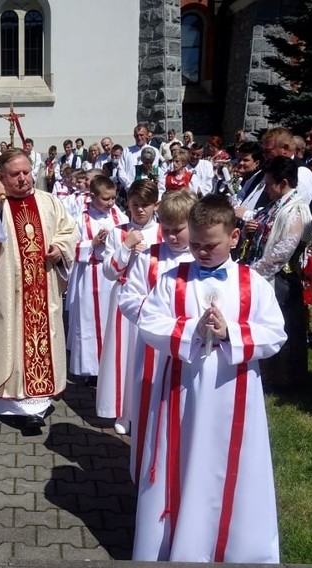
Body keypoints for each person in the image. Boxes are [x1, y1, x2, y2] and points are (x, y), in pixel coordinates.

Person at [134, 194, 286, 562]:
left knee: (233, 465)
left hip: (234, 389)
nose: (201, 252)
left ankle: (240, 547)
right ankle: (177, 544)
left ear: (234, 238)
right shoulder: (173, 280)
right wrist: (190, 330)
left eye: (211, 245)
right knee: (182, 461)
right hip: (183, 390)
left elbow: (275, 333)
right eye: (196, 244)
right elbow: (149, 322)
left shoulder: (253, 283)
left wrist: (230, 331)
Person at [0, 148, 78, 430]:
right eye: (15, 174)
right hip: (7, 298)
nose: (24, 179)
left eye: (27, 172)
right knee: (7, 339)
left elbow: (69, 230)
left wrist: (60, 248)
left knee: (40, 341)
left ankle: (34, 405)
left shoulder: (49, 202)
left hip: (42, 292)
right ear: (1, 177)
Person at [115, 190, 197, 475]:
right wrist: (158, 323)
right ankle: (145, 468)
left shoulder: (202, 259)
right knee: (150, 408)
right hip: (152, 348)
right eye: (167, 229)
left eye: (180, 230)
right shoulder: (150, 257)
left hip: (190, 351)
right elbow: (128, 298)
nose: (172, 237)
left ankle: (180, 471)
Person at [240, 156, 312, 389]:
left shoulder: (296, 209)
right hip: (262, 275)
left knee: (281, 325)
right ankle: (265, 373)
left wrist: (252, 272)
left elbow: (282, 251)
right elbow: (264, 227)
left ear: (283, 182)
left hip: (280, 278)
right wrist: (251, 227)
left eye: (269, 183)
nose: (266, 188)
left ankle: (283, 379)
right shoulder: (275, 204)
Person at [96, 179, 162, 432]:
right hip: (124, 297)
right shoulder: (118, 231)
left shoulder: (163, 232)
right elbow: (110, 272)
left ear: (156, 204)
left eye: (146, 205)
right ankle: (123, 412)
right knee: (122, 354)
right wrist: (126, 247)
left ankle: (147, 408)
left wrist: (149, 254)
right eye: (135, 205)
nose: (140, 210)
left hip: (153, 297)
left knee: (148, 354)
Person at [66, 176, 129, 385]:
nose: (111, 203)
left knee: (110, 321)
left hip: (112, 276)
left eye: (113, 198)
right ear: (92, 196)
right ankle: (91, 369)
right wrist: (92, 243)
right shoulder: (81, 218)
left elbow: (129, 234)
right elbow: (70, 246)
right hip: (90, 274)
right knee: (90, 323)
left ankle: (111, 366)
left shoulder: (117, 215)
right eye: (106, 199)